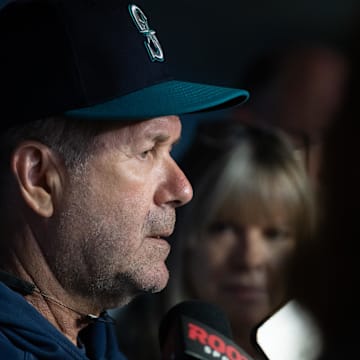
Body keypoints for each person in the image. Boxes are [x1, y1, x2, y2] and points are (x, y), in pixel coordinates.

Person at [0, 1, 249, 359]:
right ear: (39, 178)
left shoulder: (90, 338)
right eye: (147, 151)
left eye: (171, 150)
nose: (182, 189)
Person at [115, 121, 315, 359]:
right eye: (223, 229)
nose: (250, 259)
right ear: (183, 233)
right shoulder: (112, 348)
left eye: (274, 234)